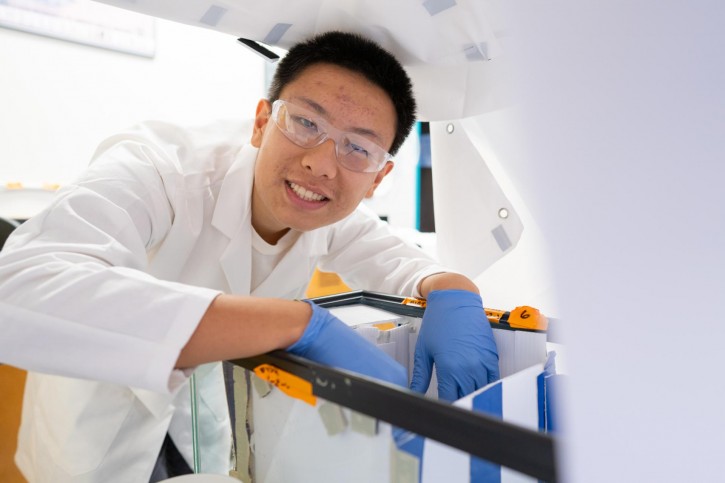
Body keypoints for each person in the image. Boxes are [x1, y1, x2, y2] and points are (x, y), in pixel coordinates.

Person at [0, 31, 499, 482]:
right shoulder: (160, 167)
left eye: (358, 150)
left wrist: (454, 289)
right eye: (305, 122)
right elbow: (17, 290)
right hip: (97, 422)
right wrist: (298, 324)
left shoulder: (327, 214)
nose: (320, 164)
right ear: (262, 122)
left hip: (198, 424)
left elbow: (405, 264)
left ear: (379, 178)